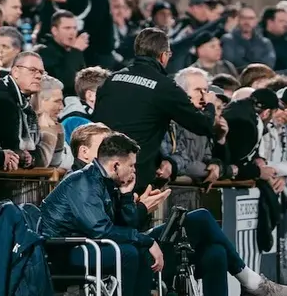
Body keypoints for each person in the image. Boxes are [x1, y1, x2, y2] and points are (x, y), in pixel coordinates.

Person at [38, 132, 160, 296]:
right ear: (116, 165)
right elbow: (100, 229)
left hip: (85, 247)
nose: (134, 170)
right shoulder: (83, 182)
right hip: (61, 252)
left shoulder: (108, 183)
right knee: (129, 253)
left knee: (140, 253)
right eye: (131, 165)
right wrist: (146, 240)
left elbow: (124, 224)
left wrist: (126, 195)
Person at [92, 28, 217, 190]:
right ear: (163, 56)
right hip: (135, 175)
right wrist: (210, 104)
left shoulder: (111, 80)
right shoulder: (164, 87)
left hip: (100, 170)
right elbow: (203, 125)